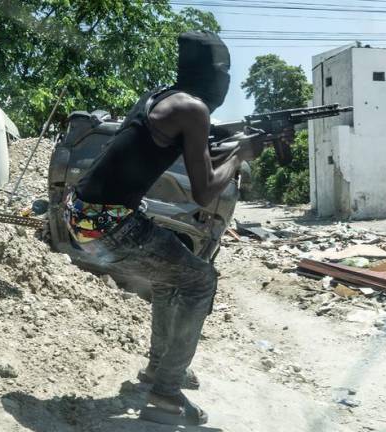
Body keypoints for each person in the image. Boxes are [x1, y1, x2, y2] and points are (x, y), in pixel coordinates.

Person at [64, 31, 263, 426]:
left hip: (85, 212)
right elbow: (205, 191)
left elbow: (199, 156)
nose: (226, 83)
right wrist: (241, 153)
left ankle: (159, 370)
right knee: (200, 280)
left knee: (173, 276)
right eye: (224, 74)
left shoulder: (163, 96)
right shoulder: (194, 109)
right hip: (108, 221)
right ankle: (165, 393)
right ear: (213, 75)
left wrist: (239, 144)